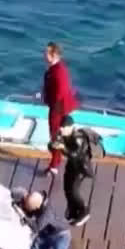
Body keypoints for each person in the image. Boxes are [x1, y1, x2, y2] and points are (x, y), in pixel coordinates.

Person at [51, 115, 95, 226]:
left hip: (80, 167)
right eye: (61, 127)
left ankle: (84, 210)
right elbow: (52, 145)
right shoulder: (62, 134)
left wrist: (63, 148)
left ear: (71, 127)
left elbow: (76, 154)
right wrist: (53, 145)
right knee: (67, 188)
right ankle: (73, 209)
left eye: (64, 127)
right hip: (71, 165)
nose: (61, 129)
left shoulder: (78, 138)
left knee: (74, 190)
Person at [41, 42, 78, 175]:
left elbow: (60, 92)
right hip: (58, 106)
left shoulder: (58, 71)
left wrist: (53, 105)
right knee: (57, 135)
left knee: (55, 136)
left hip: (57, 108)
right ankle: (56, 161)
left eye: (47, 53)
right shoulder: (58, 68)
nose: (44, 55)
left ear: (54, 55)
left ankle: (54, 165)